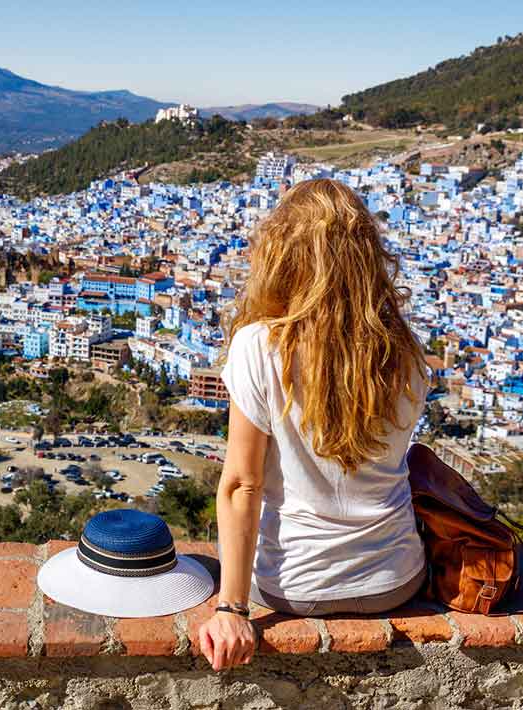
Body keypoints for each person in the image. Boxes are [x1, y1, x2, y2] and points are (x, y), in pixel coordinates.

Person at [197, 179, 430, 671]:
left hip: (293, 586)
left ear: (282, 255)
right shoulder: (405, 354)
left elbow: (242, 483)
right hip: (395, 579)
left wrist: (230, 609)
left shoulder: (260, 347)